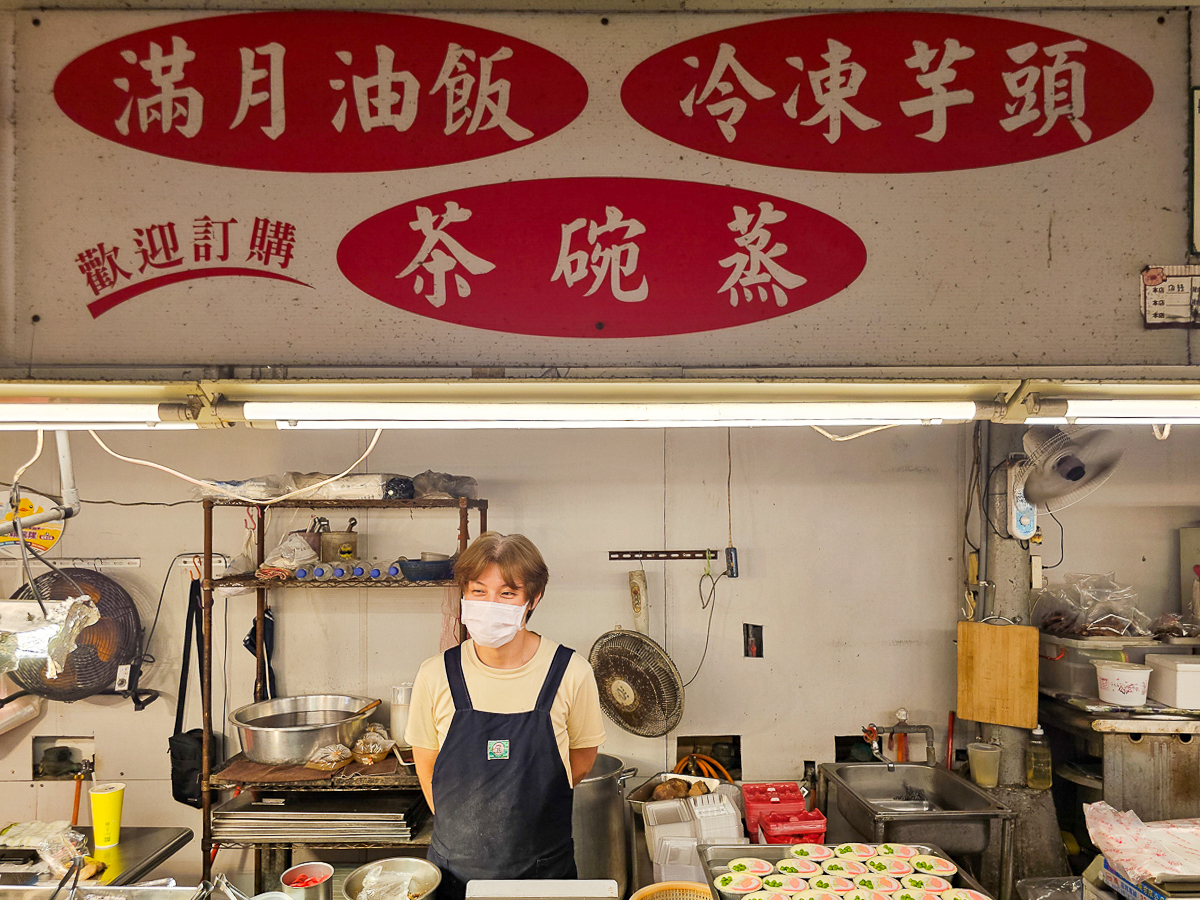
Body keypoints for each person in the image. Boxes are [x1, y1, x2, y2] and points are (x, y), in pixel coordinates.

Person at [405, 532, 607, 900]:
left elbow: (581, 760)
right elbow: (427, 765)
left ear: (534, 598)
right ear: (463, 594)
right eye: (478, 592)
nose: (489, 604)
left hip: (545, 875)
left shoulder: (571, 672)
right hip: (454, 876)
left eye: (507, 594)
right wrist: (465, 836)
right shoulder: (436, 674)